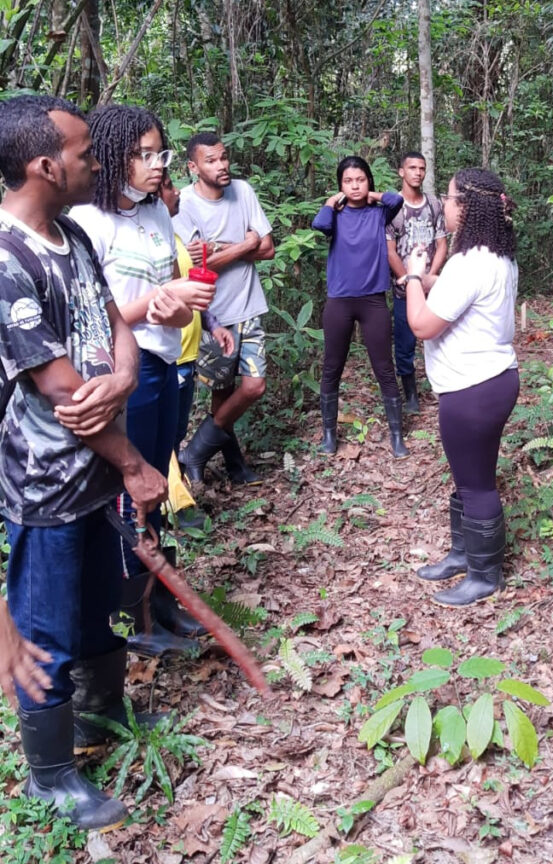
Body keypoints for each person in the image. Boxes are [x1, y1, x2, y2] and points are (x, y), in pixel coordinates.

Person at [0, 94, 169, 831]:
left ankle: (103, 711)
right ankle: (51, 773)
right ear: (44, 164)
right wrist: (135, 464)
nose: (96, 159)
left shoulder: (73, 234)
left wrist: (126, 377)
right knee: (45, 626)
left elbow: (114, 324)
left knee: (106, 603)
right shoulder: (7, 261)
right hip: (47, 484)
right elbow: (63, 388)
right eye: (81, 150)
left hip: (96, 480)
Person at [69, 105, 212, 659]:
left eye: (161, 154)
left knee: (160, 480)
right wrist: (151, 306)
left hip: (169, 362)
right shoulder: (88, 221)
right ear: (112, 157)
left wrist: (180, 305)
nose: (157, 166)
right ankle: (139, 614)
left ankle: (165, 599)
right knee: (137, 490)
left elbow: (168, 293)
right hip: (124, 372)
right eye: (143, 155)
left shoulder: (157, 213)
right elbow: (88, 318)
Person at [403, 168, 520, 606]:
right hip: (493, 381)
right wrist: (430, 281)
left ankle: (485, 576)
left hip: (472, 389)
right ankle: (463, 554)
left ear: (467, 207)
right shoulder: (495, 255)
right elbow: (458, 295)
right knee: (470, 476)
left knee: (476, 485)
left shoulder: (468, 264)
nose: (444, 205)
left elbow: (422, 325)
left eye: (449, 199)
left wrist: (414, 276)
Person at [172, 132, 275, 486]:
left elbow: (268, 248)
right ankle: (234, 464)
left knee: (253, 386)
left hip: (248, 305)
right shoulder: (182, 204)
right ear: (193, 167)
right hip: (212, 314)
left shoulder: (243, 191)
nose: (222, 165)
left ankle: (195, 452)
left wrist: (221, 250)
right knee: (221, 392)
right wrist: (245, 242)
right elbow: (193, 267)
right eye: (211, 160)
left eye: (224, 157)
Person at [311, 155, 409, 458]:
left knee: (384, 368)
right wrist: (332, 201)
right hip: (340, 301)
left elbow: (397, 200)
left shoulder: (379, 213)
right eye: (348, 181)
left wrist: (372, 195)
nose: (355, 185)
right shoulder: (336, 216)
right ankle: (329, 435)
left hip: (373, 301)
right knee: (332, 367)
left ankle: (396, 436)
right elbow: (320, 224)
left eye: (360, 179)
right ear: (340, 185)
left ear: (369, 181)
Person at [156, 172, 233, 456]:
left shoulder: (174, 236)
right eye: (168, 187)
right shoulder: (151, 245)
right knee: (158, 439)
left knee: (175, 434)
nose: (177, 192)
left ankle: (171, 493)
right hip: (165, 358)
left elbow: (193, 290)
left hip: (187, 354)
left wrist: (213, 325)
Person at [386, 151, 447, 413]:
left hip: (432, 285)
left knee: (441, 337)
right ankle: (411, 395)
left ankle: (443, 387)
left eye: (422, 168)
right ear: (401, 172)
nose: (417, 173)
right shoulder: (393, 207)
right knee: (405, 343)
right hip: (403, 289)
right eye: (412, 167)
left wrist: (428, 278)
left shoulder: (434, 204)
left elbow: (442, 244)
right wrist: (410, 279)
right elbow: (389, 250)